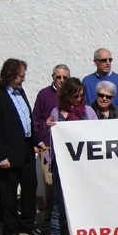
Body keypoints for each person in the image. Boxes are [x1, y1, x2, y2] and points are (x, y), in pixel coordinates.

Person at [0, 59, 46, 235]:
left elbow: (27, 120)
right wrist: (0, 156)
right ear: (11, 75)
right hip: (9, 153)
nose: (24, 79)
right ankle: (10, 229)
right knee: (8, 192)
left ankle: (27, 223)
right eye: (22, 75)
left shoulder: (20, 93)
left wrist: (37, 140)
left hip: (27, 148)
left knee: (29, 187)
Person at [45, 78, 97, 235]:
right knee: (59, 202)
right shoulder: (56, 112)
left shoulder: (88, 112)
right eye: (76, 95)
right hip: (62, 166)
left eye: (82, 95)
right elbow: (51, 137)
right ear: (67, 95)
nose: (79, 99)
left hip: (82, 166)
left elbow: (97, 133)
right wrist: (48, 127)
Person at [32, 64, 70, 218]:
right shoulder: (44, 94)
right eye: (58, 77)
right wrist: (36, 142)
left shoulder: (72, 95)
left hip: (68, 148)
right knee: (50, 184)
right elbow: (35, 119)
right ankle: (50, 216)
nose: (61, 80)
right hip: (48, 146)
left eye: (64, 77)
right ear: (53, 77)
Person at [82, 48, 118, 113]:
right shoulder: (87, 81)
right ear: (95, 62)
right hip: (92, 120)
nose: (108, 63)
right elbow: (84, 105)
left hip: (114, 120)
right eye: (104, 60)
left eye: (110, 60)